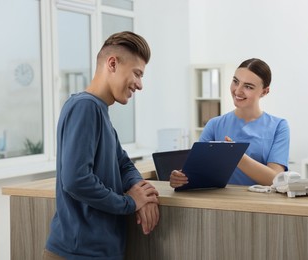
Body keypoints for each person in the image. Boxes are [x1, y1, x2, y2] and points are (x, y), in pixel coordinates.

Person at [43, 31, 160, 260]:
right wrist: (129, 203)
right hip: (77, 253)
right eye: (137, 73)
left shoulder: (99, 111)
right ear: (113, 64)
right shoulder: (85, 107)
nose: (140, 84)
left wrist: (141, 192)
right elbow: (76, 180)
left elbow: (123, 163)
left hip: (99, 253)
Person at [170, 58, 290, 188]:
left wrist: (235, 155)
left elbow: (275, 179)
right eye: (235, 81)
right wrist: (180, 179)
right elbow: (196, 171)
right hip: (221, 203)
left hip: (261, 204)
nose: (238, 91)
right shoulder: (214, 125)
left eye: (248, 86)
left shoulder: (279, 126)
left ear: (264, 91)